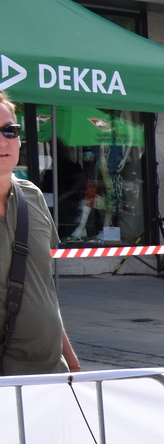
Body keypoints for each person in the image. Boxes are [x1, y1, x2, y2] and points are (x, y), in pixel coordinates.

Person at [0, 91, 80, 373]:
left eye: (9, 130)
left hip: (52, 372)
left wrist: (72, 362)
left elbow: (41, 286)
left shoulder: (31, 196)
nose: (3, 141)